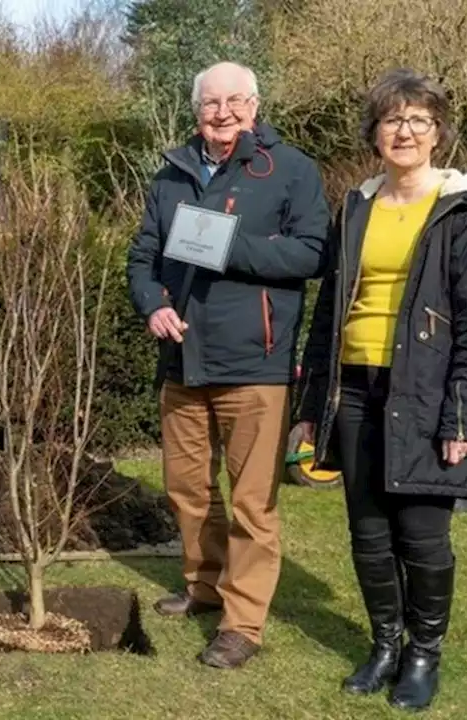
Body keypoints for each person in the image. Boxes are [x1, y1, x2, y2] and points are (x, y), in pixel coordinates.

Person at [296, 68, 467, 711]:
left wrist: (463, 421)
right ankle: (384, 644)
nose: (405, 131)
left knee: (422, 537)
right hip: (356, 391)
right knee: (368, 533)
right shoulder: (356, 206)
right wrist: (314, 406)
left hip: (424, 393)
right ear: (375, 133)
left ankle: (423, 654)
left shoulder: (466, 211)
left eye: (419, 120)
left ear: (438, 134)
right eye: (393, 119)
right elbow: (331, 305)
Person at [126, 61, 330, 669]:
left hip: (255, 363)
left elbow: (312, 252)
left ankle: (243, 624)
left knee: (252, 502)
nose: (223, 113)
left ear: (255, 104)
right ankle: (205, 586)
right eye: (211, 103)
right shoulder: (172, 173)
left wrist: (224, 243)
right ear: (196, 110)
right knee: (187, 490)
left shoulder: (289, 169)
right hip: (182, 358)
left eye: (235, 101)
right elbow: (143, 256)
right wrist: (154, 304)